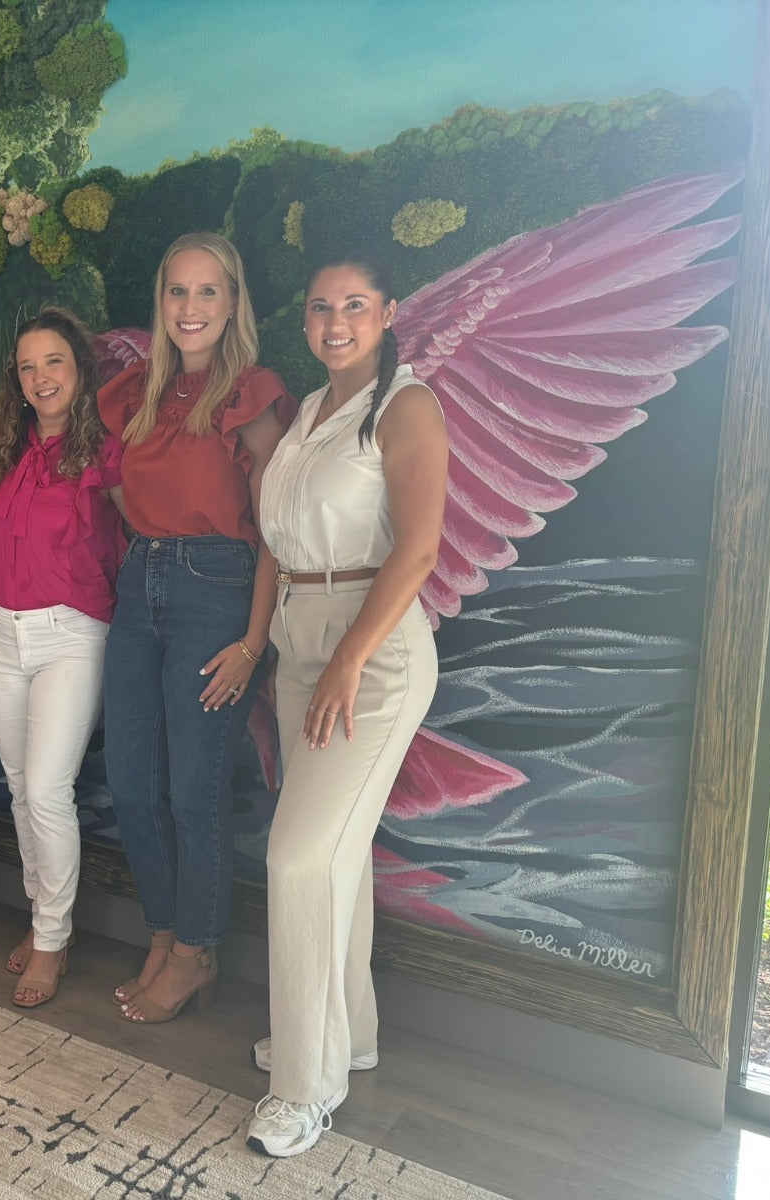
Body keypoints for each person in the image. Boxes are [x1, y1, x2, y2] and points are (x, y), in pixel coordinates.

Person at [245, 251, 446, 1157]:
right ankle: (345, 1034)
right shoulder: (312, 411)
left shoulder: (405, 403)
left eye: (354, 306)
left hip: (372, 645)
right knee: (336, 855)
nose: (335, 322)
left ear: (387, 310)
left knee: (295, 857)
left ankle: (304, 1085)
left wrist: (348, 660)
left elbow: (418, 549)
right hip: (301, 637)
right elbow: (279, 538)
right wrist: (283, 646)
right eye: (321, 307)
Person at [98, 231, 296, 1024]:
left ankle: (197, 951)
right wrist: (149, 538)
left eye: (207, 292)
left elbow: (280, 529)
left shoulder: (249, 393)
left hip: (218, 586)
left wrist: (254, 643)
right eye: (177, 292)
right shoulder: (134, 392)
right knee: (133, 782)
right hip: (140, 577)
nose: (190, 308)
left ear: (233, 302)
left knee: (193, 788)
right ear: (161, 302)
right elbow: (120, 491)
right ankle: (164, 927)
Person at [0, 308, 126, 1008]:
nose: (39, 377)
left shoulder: (106, 452)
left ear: (79, 368)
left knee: (45, 791)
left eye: (53, 361)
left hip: (72, 633)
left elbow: (138, 541)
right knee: (15, 781)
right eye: (27, 366)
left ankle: (54, 939)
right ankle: (40, 919)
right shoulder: (5, 450)